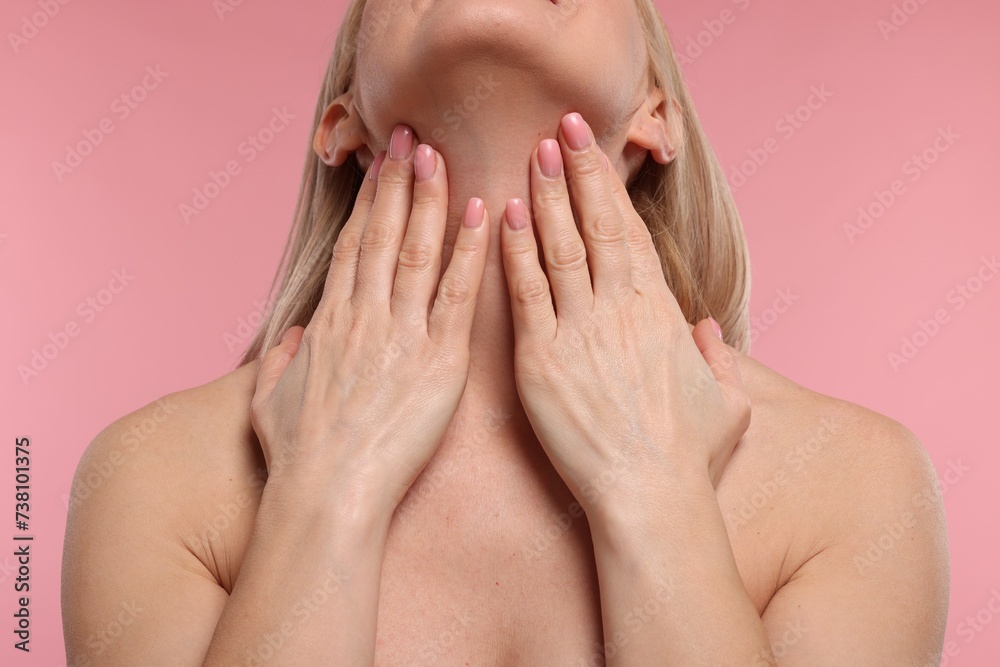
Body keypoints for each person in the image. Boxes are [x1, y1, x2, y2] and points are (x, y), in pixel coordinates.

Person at [61, 0, 950, 664]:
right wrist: (329, 490)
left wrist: (653, 493)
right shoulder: (150, 476)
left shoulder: (857, 484)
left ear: (657, 116)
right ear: (343, 125)